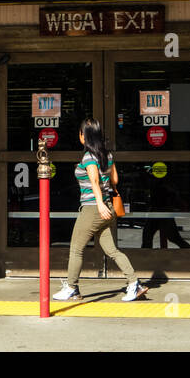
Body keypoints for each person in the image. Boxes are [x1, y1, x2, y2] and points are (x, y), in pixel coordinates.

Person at [53, 118, 148, 302]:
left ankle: (72, 288)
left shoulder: (89, 157)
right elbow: (115, 181)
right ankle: (134, 283)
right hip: (107, 208)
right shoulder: (107, 155)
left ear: (84, 136)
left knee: (76, 249)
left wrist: (99, 204)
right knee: (112, 250)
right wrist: (104, 202)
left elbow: (94, 181)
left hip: (93, 209)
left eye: (80, 133)